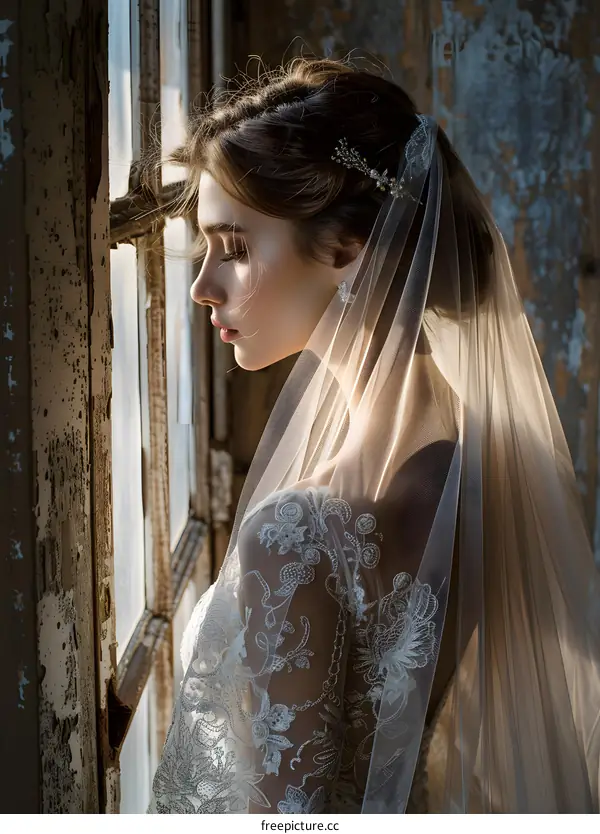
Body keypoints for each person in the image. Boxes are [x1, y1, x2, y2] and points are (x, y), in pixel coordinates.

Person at [148, 58, 600, 814]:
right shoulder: (477, 457)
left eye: (233, 249)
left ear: (346, 250)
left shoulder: (296, 535)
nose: (203, 286)